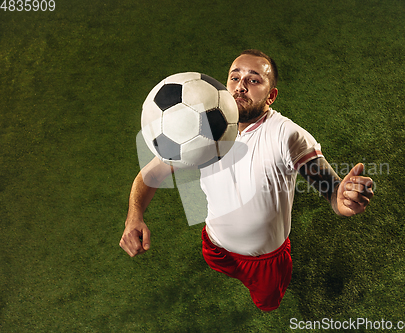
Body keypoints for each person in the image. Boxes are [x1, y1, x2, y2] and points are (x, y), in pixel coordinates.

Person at [120, 49, 374, 311]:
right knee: (218, 265)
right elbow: (149, 175)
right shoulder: (199, 127)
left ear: (271, 96)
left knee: (267, 303)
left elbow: (333, 191)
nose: (240, 86)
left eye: (253, 80)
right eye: (234, 77)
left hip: (265, 261)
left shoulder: (287, 135)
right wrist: (134, 216)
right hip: (215, 244)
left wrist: (341, 199)